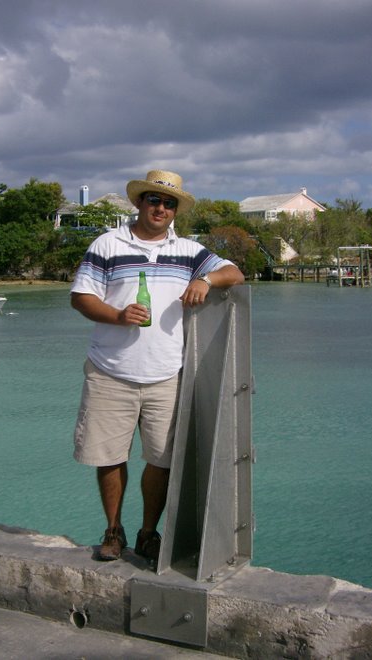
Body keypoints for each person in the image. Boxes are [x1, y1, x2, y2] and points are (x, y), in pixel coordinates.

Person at [71, 169, 244, 563]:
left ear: (176, 210)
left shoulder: (188, 251)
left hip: (167, 373)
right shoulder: (107, 243)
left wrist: (208, 281)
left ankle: (149, 533)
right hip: (109, 370)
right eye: (154, 200)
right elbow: (80, 297)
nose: (161, 208)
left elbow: (235, 272)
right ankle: (113, 530)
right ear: (139, 203)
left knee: (161, 461)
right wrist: (117, 315)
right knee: (110, 456)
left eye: (169, 203)